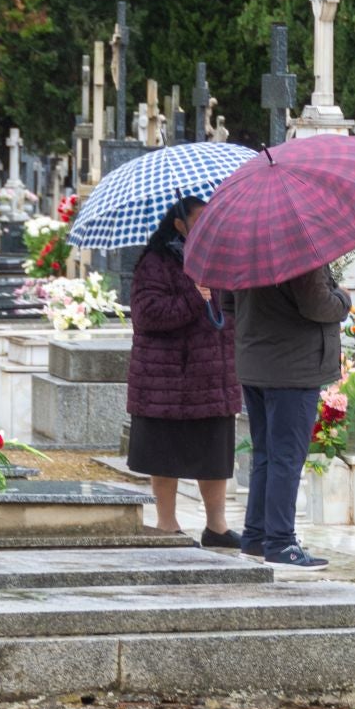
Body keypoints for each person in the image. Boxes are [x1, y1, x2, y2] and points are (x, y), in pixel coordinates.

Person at [127, 197, 240, 547]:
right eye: (200, 221)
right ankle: (166, 523)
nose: (208, 228)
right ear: (179, 225)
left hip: (213, 374)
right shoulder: (155, 263)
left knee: (215, 453)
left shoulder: (219, 260)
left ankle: (216, 526)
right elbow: (148, 314)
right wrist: (194, 297)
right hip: (167, 380)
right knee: (166, 452)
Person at [230, 264, 350, 567]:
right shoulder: (300, 252)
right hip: (293, 367)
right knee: (286, 456)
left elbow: (227, 303)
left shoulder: (246, 248)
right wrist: (343, 299)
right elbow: (317, 304)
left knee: (267, 455)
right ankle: (281, 542)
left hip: (256, 363)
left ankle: (256, 537)